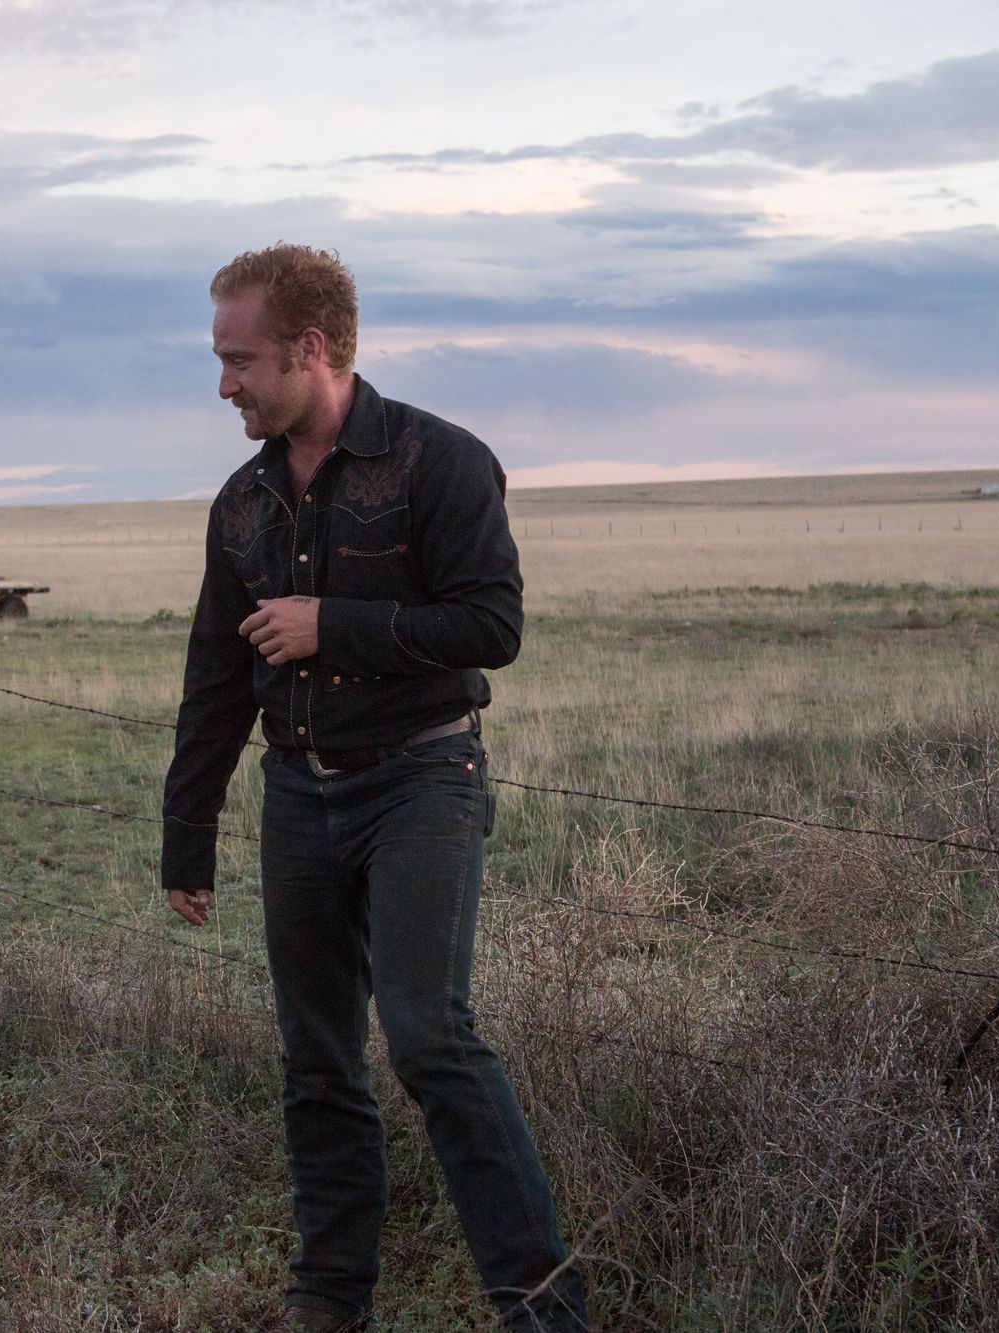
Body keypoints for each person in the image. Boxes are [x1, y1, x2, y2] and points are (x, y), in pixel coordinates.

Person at [162, 245, 588, 1332]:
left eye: (238, 360)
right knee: (316, 1057)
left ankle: (544, 1313)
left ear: (309, 349)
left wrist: (332, 626)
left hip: (421, 779)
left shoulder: (439, 463)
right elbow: (216, 674)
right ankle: (329, 1300)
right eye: (219, 360)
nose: (223, 385)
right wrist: (187, 834)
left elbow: (492, 625)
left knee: (428, 1036)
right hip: (297, 795)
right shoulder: (243, 503)